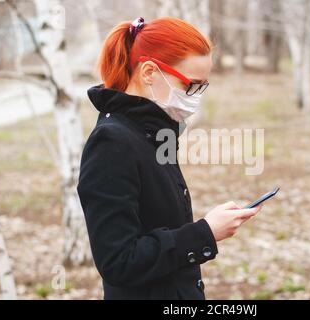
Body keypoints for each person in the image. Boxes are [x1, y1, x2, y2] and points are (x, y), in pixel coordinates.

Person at [77, 16, 262, 300]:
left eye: (202, 87)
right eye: (190, 85)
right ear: (149, 72)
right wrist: (205, 233)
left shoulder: (151, 130)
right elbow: (118, 260)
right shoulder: (111, 142)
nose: (195, 96)